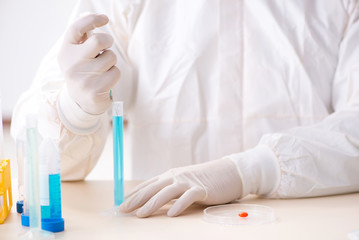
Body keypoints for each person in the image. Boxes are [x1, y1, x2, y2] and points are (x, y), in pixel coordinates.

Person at [11, 0, 359, 218]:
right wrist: (75, 111)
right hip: (165, 221)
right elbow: (46, 158)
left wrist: (251, 170)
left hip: (305, 222)